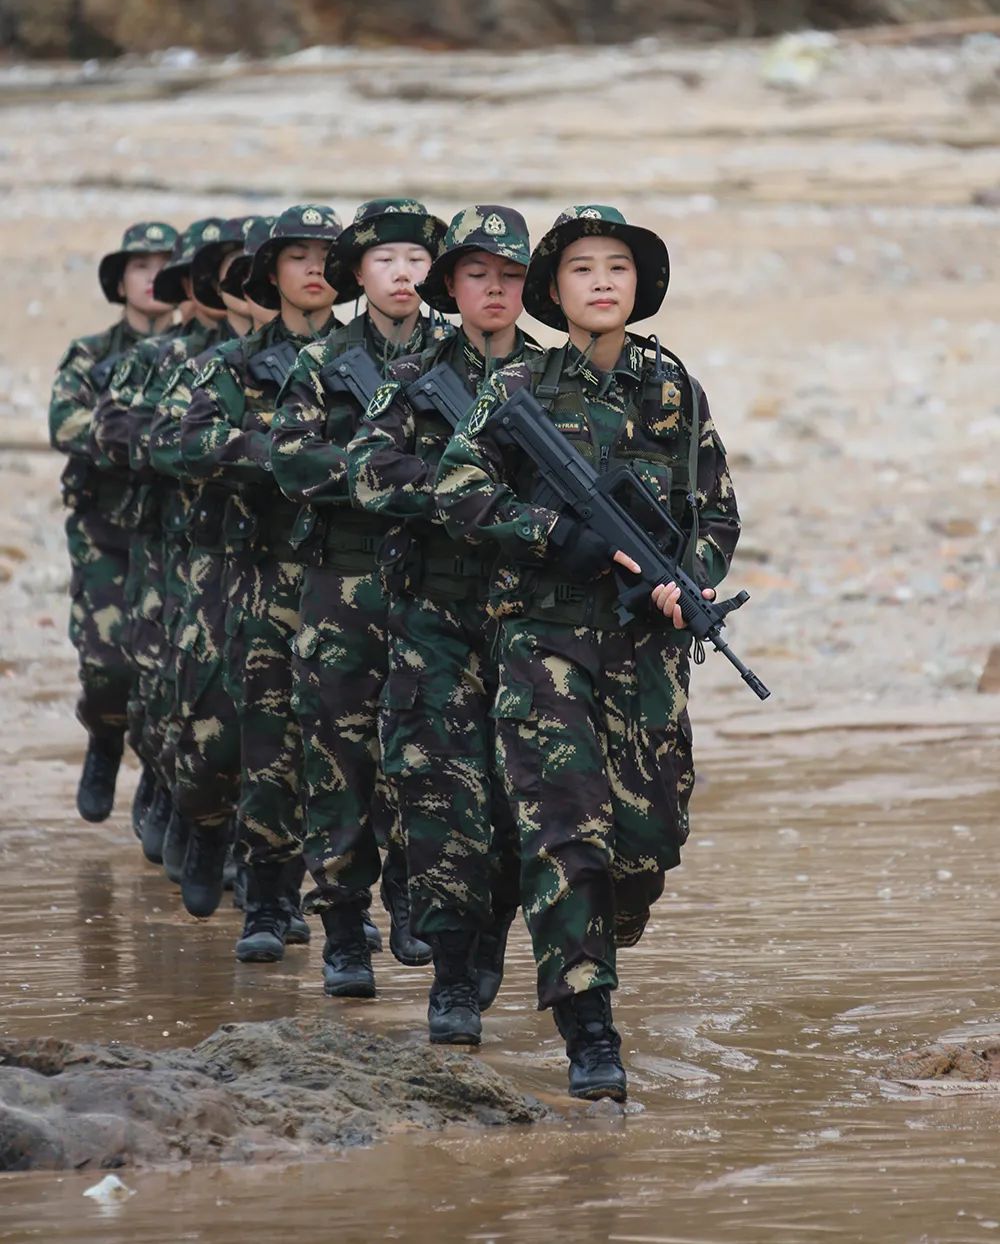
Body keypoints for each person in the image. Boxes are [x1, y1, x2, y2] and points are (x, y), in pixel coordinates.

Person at [435, 204, 741, 1101]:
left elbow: (717, 508)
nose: (603, 280)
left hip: (648, 648)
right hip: (546, 640)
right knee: (566, 834)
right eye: (581, 268)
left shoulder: (672, 385)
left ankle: (577, 925)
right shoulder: (520, 382)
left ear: (640, 285)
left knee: (647, 842)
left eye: (618, 266)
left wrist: (692, 578)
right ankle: (590, 1034)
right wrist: (552, 537)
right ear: (553, 289)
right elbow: (457, 488)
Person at [345, 205, 533, 1044]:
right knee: (438, 795)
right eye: (476, 275)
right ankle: (452, 975)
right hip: (435, 619)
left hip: (533, 623)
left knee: (517, 800)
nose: (493, 289)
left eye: (510, 276)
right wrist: (473, 503)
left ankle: (493, 922)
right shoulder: (418, 372)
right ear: (448, 285)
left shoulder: (555, 378)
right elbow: (369, 475)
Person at [270, 198, 448, 997]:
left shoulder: (462, 361)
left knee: (427, 746)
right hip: (341, 583)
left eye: (417, 260)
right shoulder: (321, 361)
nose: (403, 273)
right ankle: (342, 924)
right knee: (337, 750)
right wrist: (397, 482)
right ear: (359, 275)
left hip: (434, 583)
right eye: (385, 261)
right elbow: (294, 466)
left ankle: (410, 887)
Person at [180, 206, 340, 962]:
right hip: (261, 574)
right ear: (268, 274)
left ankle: (346, 903)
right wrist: (293, 454)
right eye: (296, 255)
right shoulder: (238, 364)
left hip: (349, 579)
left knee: (348, 745)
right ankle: (266, 892)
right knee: (263, 738)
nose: (313, 267)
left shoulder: (368, 362)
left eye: (326, 254)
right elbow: (194, 445)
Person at [92, 219, 233, 870]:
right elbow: (108, 433)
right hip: (165, 542)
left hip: (264, 551)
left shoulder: (289, 360)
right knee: (162, 680)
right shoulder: (159, 361)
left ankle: (261, 868)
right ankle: (172, 791)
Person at [148, 218, 264, 912]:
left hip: (306, 568)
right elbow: (166, 442)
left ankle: (277, 886)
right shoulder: (195, 364)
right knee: (203, 710)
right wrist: (271, 453)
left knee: (299, 731)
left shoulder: (333, 361)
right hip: (203, 558)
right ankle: (203, 823)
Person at [49, 221, 177, 824]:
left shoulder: (198, 354)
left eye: (164, 265)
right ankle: (103, 738)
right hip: (105, 531)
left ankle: (160, 777)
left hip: (174, 533)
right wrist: (142, 439)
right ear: (120, 281)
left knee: (170, 672)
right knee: (107, 666)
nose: (152, 277)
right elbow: (64, 423)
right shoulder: (92, 354)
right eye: (139, 266)